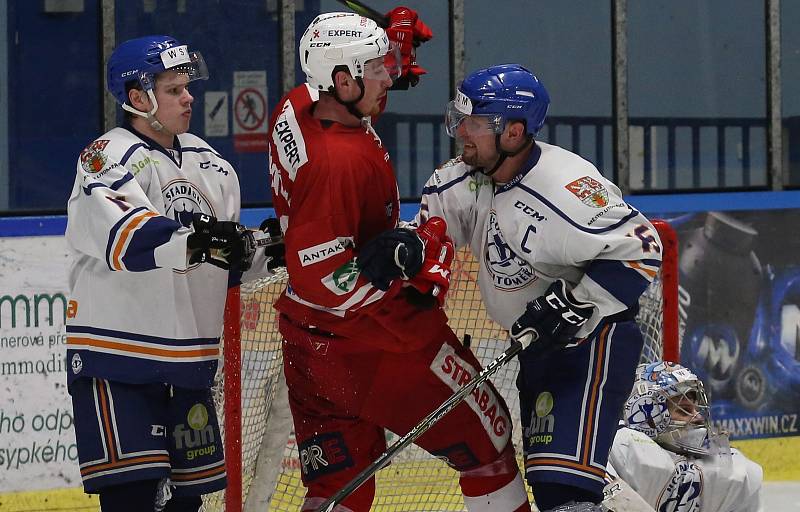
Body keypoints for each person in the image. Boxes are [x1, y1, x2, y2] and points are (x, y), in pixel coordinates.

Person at [267, 11, 530, 512]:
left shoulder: (298, 103)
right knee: (488, 443)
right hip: (368, 343)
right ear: (342, 80)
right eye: (377, 69)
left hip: (306, 344)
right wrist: (409, 267)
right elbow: (321, 275)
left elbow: (349, 87)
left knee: (336, 486)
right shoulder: (338, 164)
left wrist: (393, 49)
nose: (389, 77)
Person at [416, 63, 663, 512]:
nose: (463, 133)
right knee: (555, 490)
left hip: (593, 342)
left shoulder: (566, 185)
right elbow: (428, 247)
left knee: (565, 492)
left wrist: (573, 303)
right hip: (536, 346)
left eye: (476, 123)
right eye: (462, 119)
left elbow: (642, 249)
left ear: (513, 132)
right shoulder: (459, 181)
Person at [65, 35, 283, 511]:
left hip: (188, 367)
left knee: (186, 504)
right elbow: (129, 236)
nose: (188, 97)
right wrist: (201, 239)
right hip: (117, 362)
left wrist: (268, 252)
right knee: (133, 501)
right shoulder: (105, 157)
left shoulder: (214, 165)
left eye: (187, 87)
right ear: (137, 97)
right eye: (173, 89)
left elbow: (222, 264)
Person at [609, 361, 763, 511]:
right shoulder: (623, 447)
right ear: (647, 416)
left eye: (696, 409)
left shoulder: (734, 466)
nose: (698, 417)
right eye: (683, 410)